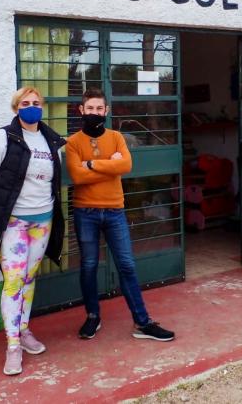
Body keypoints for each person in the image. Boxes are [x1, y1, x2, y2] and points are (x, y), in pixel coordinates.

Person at [0, 87, 66, 376]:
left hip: (43, 221)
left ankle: (23, 331)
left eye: (36, 103)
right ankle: (12, 347)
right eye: (25, 103)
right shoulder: (1, 138)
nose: (32, 107)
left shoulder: (50, 139)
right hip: (13, 223)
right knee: (13, 281)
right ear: (15, 108)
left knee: (29, 278)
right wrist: (3, 200)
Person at [65, 88, 175, 342]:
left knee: (126, 265)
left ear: (107, 111)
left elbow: (125, 165)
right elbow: (77, 176)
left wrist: (92, 163)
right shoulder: (73, 143)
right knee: (89, 266)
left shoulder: (116, 137)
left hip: (115, 211)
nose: (94, 113)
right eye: (89, 108)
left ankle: (143, 321)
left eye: (98, 109)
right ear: (81, 111)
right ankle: (93, 316)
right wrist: (109, 165)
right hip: (86, 212)